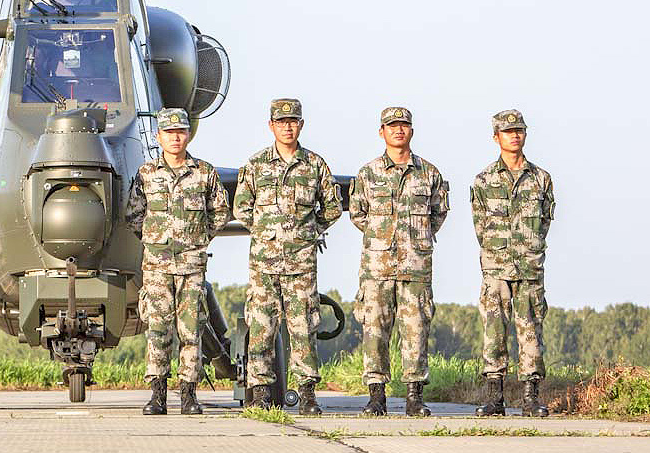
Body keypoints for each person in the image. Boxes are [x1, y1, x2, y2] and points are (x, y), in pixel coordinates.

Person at [233, 98, 342, 414]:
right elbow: (241, 206)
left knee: (303, 327)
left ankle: (307, 394)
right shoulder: (255, 165)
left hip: (301, 264)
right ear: (271, 126)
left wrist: (307, 230)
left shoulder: (315, 165)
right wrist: (267, 231)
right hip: (264, 264)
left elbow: (332, 207)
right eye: (281, 122)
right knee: (261, 328)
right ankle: (262, 394)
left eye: (293, 121)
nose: (287, 126)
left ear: (301, 125)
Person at [125, 108, 231, 415]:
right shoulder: (146, 175)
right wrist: (155, 241)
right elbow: (133, 215)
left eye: (181, 132)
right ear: (159, 137)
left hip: (191, 267)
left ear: (188, 135)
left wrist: (198, 238)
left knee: (191, 330)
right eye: (169, 132)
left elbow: (220, 212)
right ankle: (157, 395)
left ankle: (189, 395)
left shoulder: (204, 173)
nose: (175, 137)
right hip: (157, 267)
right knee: (158, 330)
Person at [349, 107, 449, 416]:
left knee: (416, 330)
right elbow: (358, 213)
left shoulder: (429, 174)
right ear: (382, 132)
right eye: (392, 126)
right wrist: (382, 239)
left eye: (404, 125)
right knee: (374, 330)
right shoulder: (368, 173)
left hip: (415, 267)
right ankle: (376, 396)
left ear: (412, 131)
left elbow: (438, 213)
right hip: (377, 268)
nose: (398, 130)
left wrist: (414, 240)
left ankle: (414, 397)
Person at [471, 110, 555, 417]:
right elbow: (480, 224)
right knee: (494, 331)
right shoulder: (483, 180)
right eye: (507, 131)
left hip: (530, 267)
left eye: (518, 130)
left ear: (525, 134)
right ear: (496, 137)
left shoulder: (541, 179)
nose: (514, 135)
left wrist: (529, 249)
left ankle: (531, 398)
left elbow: (544, 222)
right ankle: (495, 398)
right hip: (496, 268)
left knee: (531, 330)